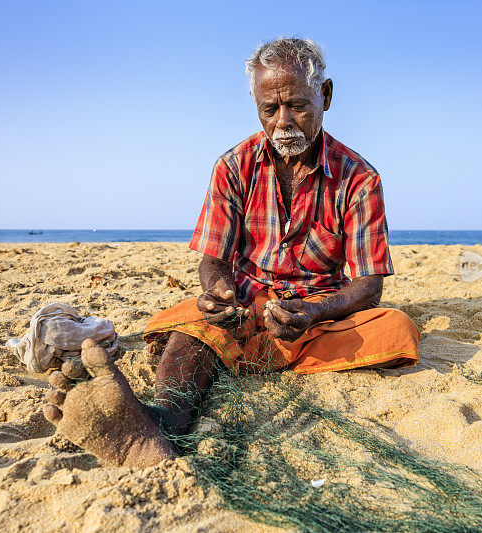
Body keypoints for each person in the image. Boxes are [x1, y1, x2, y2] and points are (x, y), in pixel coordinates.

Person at [43, 37, 421, 468]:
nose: (283, 122)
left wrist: (314, 313)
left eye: (297, 105)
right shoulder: (232, 165)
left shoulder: (359, 179)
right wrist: (218, 290)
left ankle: (237, 359)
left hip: (315, 317)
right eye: (269, 109)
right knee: (193, 324)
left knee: (397, 328)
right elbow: (214, 259)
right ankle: (160, 423)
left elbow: (368, 286)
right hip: (246, 307)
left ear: (326, 95)